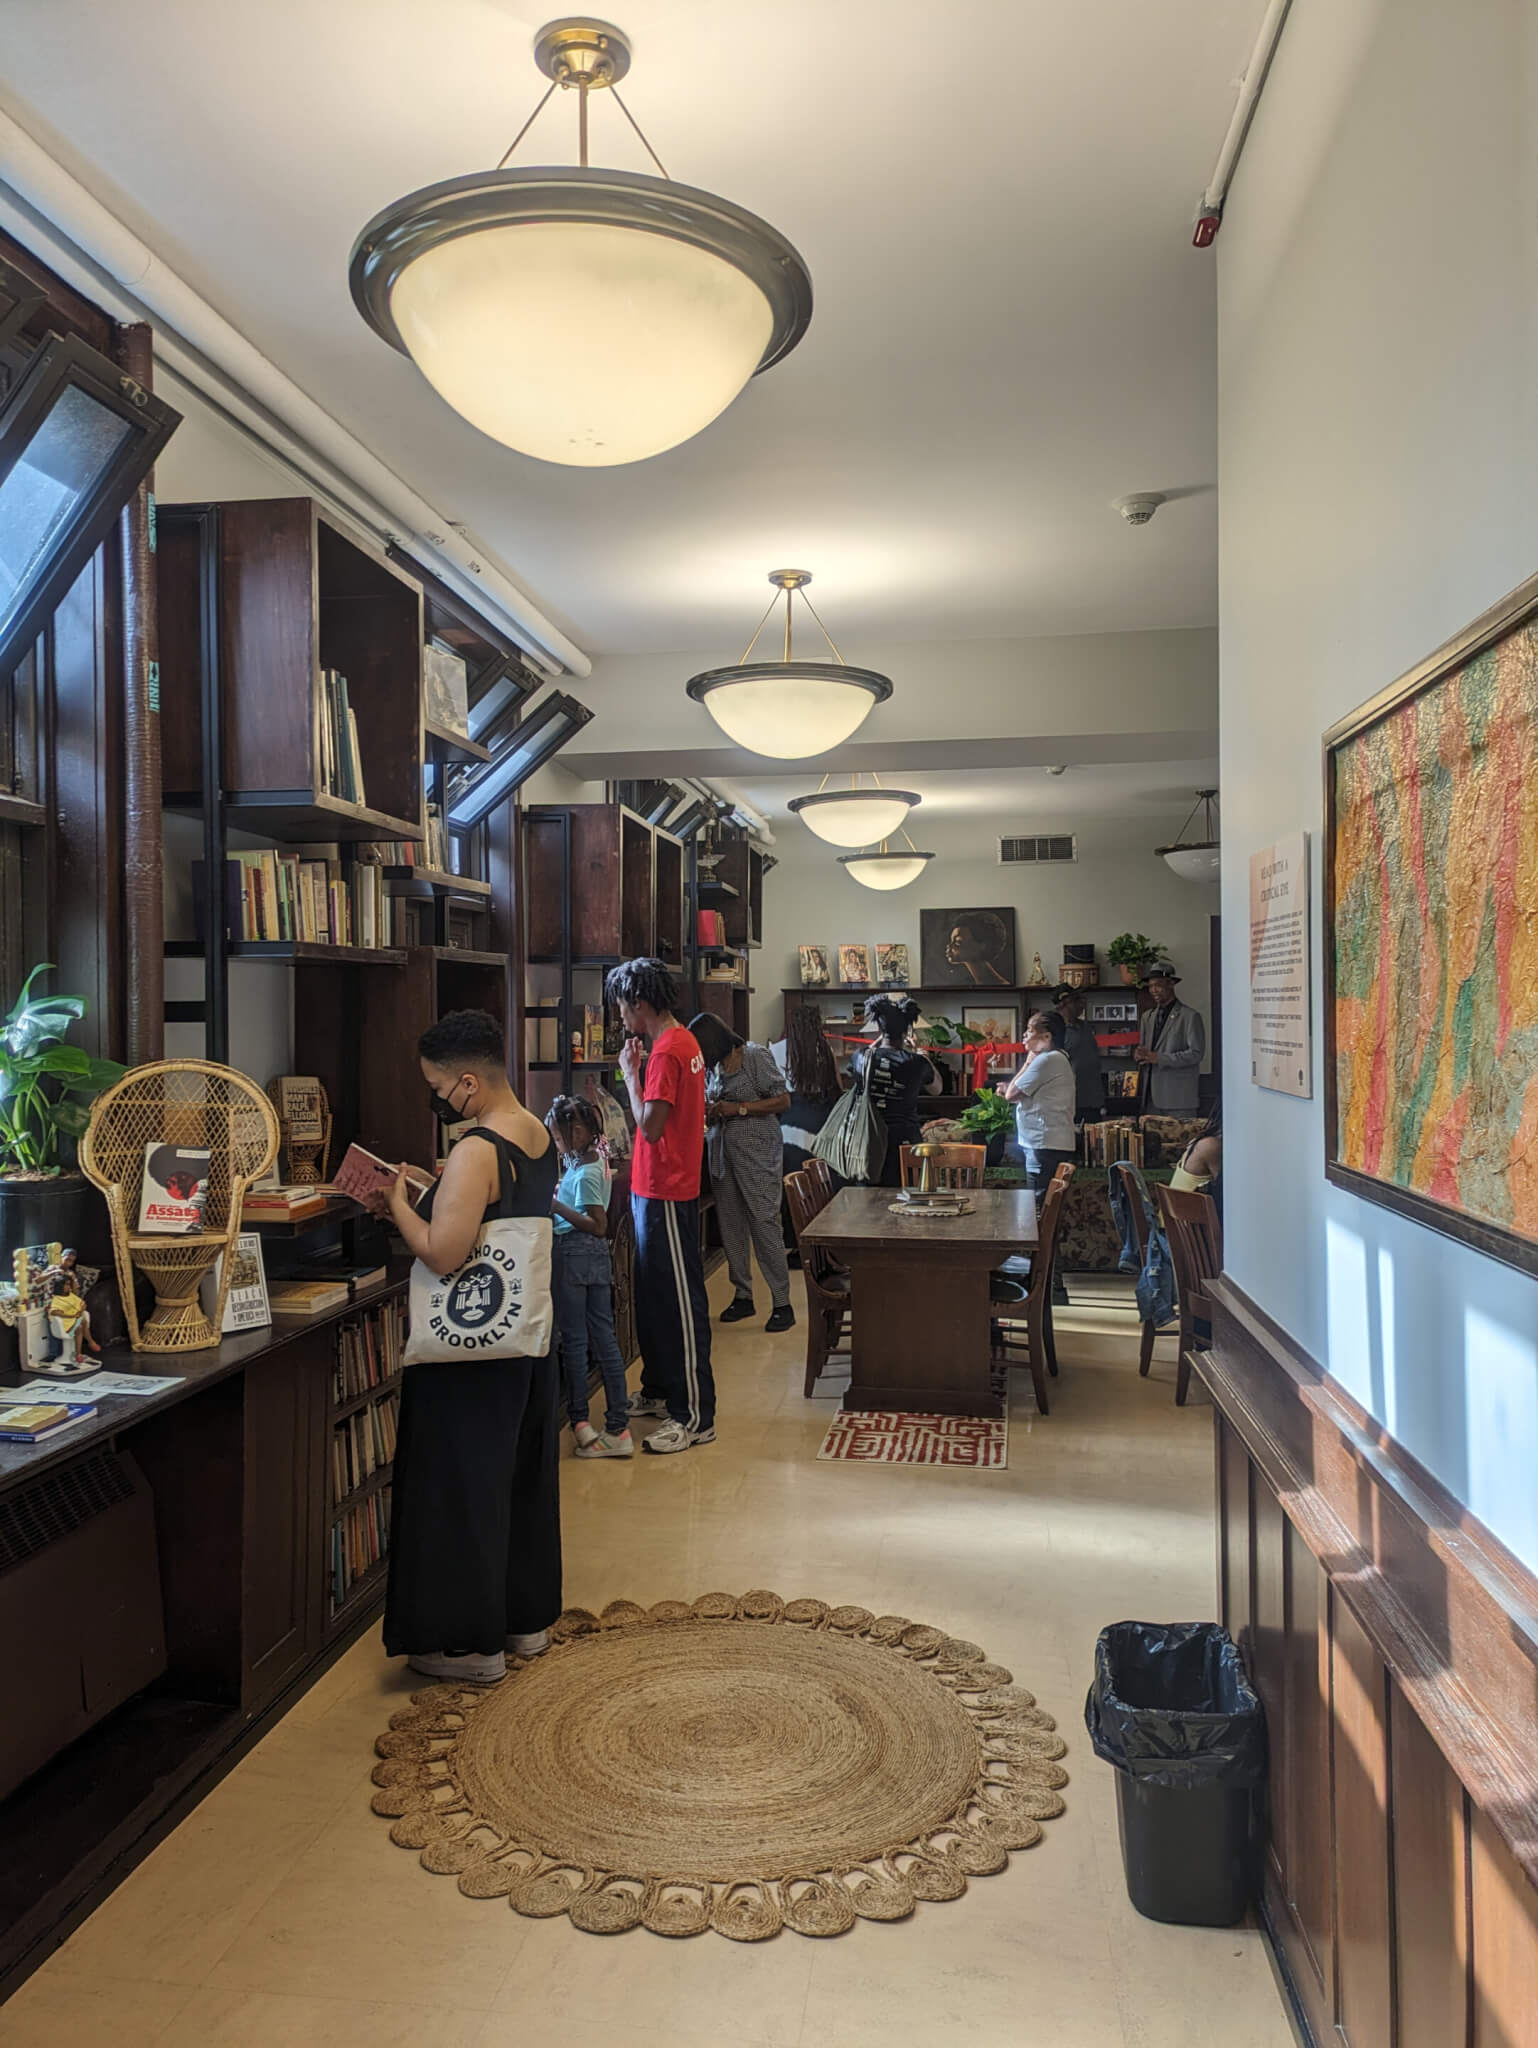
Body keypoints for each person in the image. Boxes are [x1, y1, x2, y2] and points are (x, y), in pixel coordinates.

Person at [373, 1008, 560, 1687]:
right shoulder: (536, 1131)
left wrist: (396, 1201)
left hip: (469, 1354)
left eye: (439, 1087)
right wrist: (440, 1186)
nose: (438, 1100)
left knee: (462, 1487)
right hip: (525, 1336)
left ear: (469, 1083)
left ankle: (468, 1646)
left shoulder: (477, 1148)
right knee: (516, 1479)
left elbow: (445, 1254)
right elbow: (502, 1211)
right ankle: (522, 1622)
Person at [606, 957, 715, 1455]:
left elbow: (649, 1127)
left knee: (679, 1303)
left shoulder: (667, 1051)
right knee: (653, 1296)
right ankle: (658, 1389)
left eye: (622, 1007)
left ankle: (694, 1416)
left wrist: (632, 1073)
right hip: (655, 1188)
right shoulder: (682, 1042)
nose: (620, 1017)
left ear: (640, 1004)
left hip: (667, 1189)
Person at [690, 1012, 795, 1332]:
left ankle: (781, 1302)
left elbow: (783, 1100)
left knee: (764, 1223)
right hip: (722, 1152)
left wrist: (739, 1109)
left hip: (757, 1153)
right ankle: (743, 1295)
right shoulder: (715, 1067)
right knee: (730, 1224)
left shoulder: (752, 1056)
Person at [546, 1095, 632, 1460]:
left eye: (560, 1138)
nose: (557, 1144)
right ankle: (618, 1425)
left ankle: (581, 1422)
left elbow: (598, 1225)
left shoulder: (586, 1172)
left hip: (575, 1253)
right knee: (604, 1338)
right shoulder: (592, 1160)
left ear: (579, 1131)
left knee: (576, 1342)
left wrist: (555, 1205)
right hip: (595, 1260)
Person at [857, 994, 942, 1186]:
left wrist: (879, 1039)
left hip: (869, 1142)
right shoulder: (916, 1062)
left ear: (880, 1028)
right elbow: (937, 1088)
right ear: (906, 1031)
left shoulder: (862, 1058)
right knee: (909, 1199)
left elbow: (868, 1054)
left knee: (868, 1201)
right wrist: (922, 1054)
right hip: (906, 1143)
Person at [1002, 1010, 1078, 1194]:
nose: (1024, 1035)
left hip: (1044, 1144)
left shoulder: (1047, 1059)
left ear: (1046, 1036)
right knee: (1038, 1203)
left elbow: (1011, 1094)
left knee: (1036, 1207)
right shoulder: (1055, 1058)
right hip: (1045, 1142)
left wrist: (1028, 1061)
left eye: (1029, 1030)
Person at [1134, 963, 1206, 1112]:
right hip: (1150, 1098)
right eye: (1150, 986)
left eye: (1158, 985)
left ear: (1171, 984)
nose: (1154, 990)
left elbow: (1196, 1054)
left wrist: (1159, 1058)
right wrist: (1139, 1055)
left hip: (1179, 1099)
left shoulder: (1190, 1016)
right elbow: (1146, 1052)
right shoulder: (1147, 1016)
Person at [1053, 984, 1104, 1121]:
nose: (1082, 1003)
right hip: (1069, 1104)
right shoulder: (1055, 1031)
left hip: (1093, 1100)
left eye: (1082, 999)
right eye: (1076, 1000)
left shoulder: (1085, 1027)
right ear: (1063, 1004)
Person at [941, 911, 1012, 986]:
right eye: (951, 940)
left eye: (958, 941)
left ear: (983, 945)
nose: (949, 946)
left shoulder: (999, 986)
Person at [1170, 1104, 1222, 1195]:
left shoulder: (1207, 1141)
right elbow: (1231, 1191)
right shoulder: (1211, 1146)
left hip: (1175, 1208)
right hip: (1187, 1208)